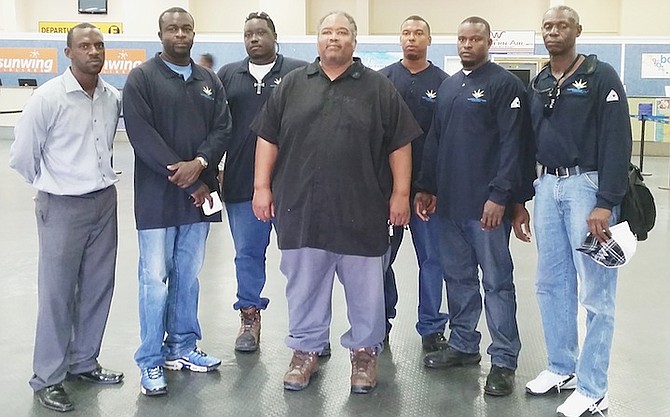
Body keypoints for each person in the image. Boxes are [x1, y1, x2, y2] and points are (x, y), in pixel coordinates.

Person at [251, 11, 421, 394]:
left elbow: (400, 144)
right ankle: (305, 351)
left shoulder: (378, 89)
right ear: (317, 41)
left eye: (342, 32)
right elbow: (267, 138)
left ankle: (364, 354)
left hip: (362, 210)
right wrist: (262, 187)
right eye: (327, 32)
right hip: (301, 209)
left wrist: (400, 194)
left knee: (366, 291)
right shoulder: (292, 85)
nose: (333, 38)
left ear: (353, 42)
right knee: (304, 287)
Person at [522, 6, 632, 417]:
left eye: (561, 25)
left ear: (577, 31)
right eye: (547, 26)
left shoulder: (601, 77)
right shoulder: (540, 82)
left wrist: (606, 201)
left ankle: (593, 388)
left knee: (596, 293)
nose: (553, 32)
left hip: (588, 186)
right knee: (550, 283)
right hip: (547, 186)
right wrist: (526, 194)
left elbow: (618, 139)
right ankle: (560, 366)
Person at [10, 23, 124, 412]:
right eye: (85, 45)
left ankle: (83, 362)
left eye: (99, 45)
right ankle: (48, 378)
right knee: (58, 295)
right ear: (69, 52)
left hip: (103, 202)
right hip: (61, 205)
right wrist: (49, 184)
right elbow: (23, 153)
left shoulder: (111, 98)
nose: (94, 51)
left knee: (97, 288)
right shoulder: (48, 98)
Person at [415, 16, 530, 397]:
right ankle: (464, 344)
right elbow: (434, 139)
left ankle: (504, 359)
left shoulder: (505, 85)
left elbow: (514, 147)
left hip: (486, 209)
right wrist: (426, 187)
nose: (467, 45)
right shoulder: (449, 86)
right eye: (462, 39)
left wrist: (501, 197)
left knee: (497, 283)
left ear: (488, 41)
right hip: (449, 206)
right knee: (458, 279)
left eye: (475, 39)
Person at [122, 7, 232, 396]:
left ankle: (182, 347)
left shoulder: (208, 81)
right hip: (157, 202)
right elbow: (142, 136)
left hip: (197, 202)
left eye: (186, 28)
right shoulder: (142, 79)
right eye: (172, 28)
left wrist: (201, 164)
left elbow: (223, 128)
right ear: (160, 33)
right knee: (155, 280)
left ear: (194, 33)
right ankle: (150, 361)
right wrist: (188, 179)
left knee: (189, 276)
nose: (180, 34)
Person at [216, 11, 308, 353]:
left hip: (292, 184)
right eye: (248, 34)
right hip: (242, 184)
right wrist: (216, 168)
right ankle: (250, 317)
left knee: (301, 258)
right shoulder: (228, 75)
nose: (254, 38)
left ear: (274, 36)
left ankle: (307, 327)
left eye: (260, 33)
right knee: (248, 254)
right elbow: (218, 127)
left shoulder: (298, 72)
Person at [378, 15, 449, 352]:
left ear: (429, 39)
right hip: (385, 193)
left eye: (419, 33)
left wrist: (431, 187)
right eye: (406, 32)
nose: (412, 39)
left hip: (428, 193)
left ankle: (432, 327)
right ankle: (380, 320)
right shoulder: (382, 81)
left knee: (432, 260)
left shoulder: (445, 84)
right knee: (380, 260)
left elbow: (447, 141)